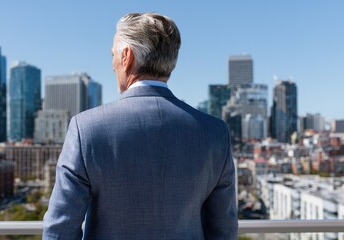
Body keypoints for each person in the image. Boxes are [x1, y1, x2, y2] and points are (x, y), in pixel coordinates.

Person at [43, 12, 238, 239]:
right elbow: (224, 232)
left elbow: (59, 231)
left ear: (127, 56)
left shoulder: (85, 129)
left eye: (113, 54)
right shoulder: (215, 134)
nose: (112, 65)